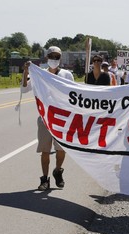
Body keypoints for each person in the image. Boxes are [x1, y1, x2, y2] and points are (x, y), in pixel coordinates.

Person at [21, 46, 74, 191]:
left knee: (61, 150)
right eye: (51, 56)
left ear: (60, 58)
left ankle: (58, 170)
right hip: (45, 118)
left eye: (57, 57)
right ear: (47, 58)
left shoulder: (67, 74)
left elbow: (74, 94)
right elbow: (24, 89)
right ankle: (45, 179)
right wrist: (26, 71)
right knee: (45, 150)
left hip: (62, 118)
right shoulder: (40, 74)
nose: (54, 59)